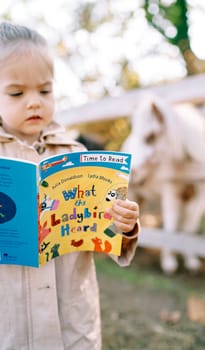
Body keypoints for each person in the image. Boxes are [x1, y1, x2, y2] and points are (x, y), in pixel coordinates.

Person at [0, 21, 139, 350]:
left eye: (45, 91)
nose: (34, 102)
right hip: (10, 321)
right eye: (17, 93)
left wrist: (125, 224)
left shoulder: (77, 155)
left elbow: (103, 227)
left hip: (71, 317)